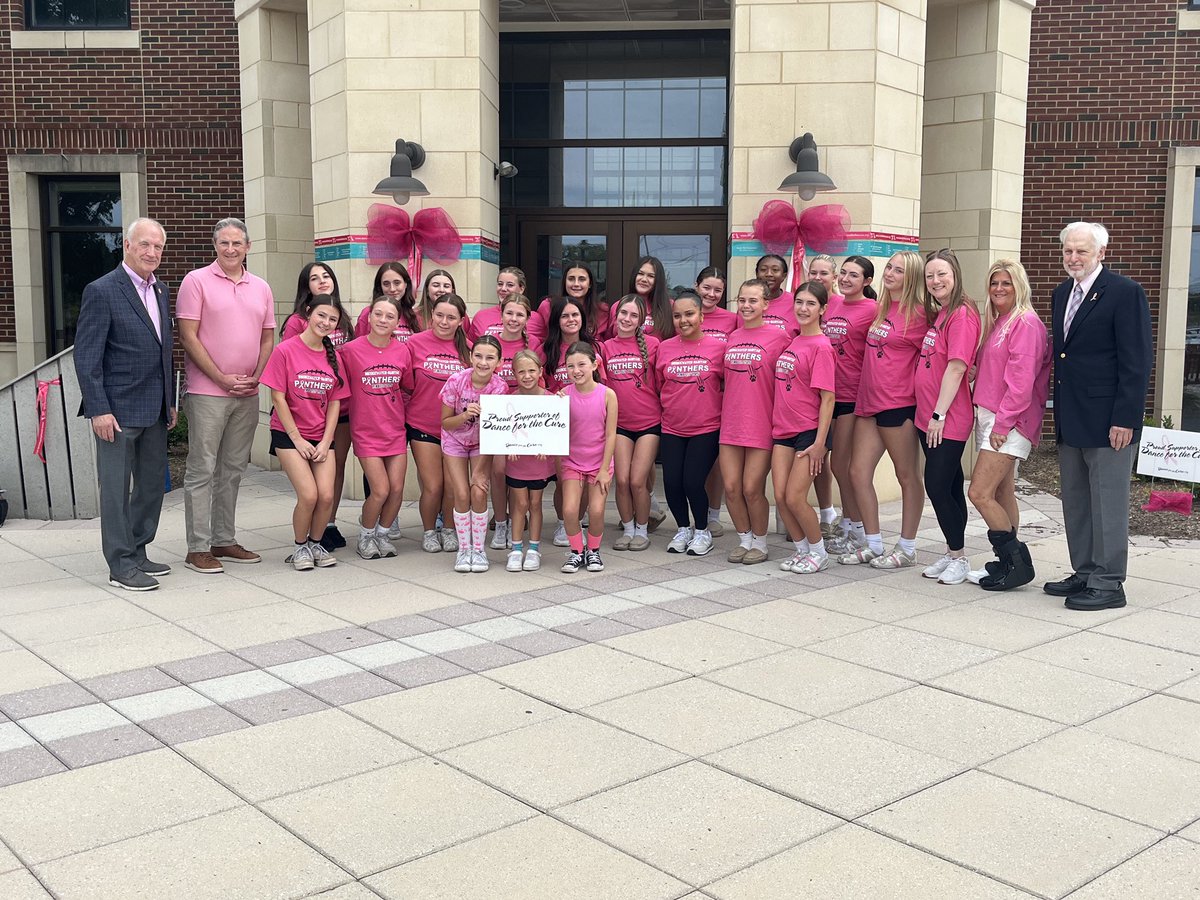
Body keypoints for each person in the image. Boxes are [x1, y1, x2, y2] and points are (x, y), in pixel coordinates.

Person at [1043, 222, 1152, 610]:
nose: (1073, 258)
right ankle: (1086, 571)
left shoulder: (1125, 293)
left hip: (1110, 421)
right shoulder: (1061, 293)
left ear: (1101, 254)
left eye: (1082, 252)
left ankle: (1109, 582)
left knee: (1107, 502)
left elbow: (1136, 362)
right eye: (1068, 251)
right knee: (1076, 500)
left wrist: (1126, 417)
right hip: (1072, 418)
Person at [74, 217, 176, 592]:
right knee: (116, 490)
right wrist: (99, 408)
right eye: (145, 244)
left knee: (150, 486)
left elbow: (165, 351)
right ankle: (119, 565)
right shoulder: (102, 290)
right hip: (115, 411)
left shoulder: (161, 291)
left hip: (154, 408)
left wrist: (171, 401)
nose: (152, 252)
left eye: (158, 247)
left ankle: (137, 548)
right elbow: (87, 357)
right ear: (127, 246)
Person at [176, 217, 273, 575]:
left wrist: (257, 377)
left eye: (237, 243)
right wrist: (220, 377)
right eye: (224, 243)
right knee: (202, 469)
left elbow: (267, 338)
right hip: (207, 392)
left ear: (248, 247)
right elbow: (189, 336)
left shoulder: (260, 287)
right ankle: (197, 548)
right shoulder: (196, 281)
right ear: (215, 246)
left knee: (232, 469)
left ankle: (223, 539)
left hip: (247, 393)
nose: (230, 249)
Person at [968, 259, 1051, 590]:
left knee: (979, 492)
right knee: (1002, 491)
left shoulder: (1025, 324)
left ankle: (1015, 563)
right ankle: (1009, 563)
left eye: (1006, 283)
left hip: (1009, 421)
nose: (999, 288)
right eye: (994, 283)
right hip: (991, 415)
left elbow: (1021, 383)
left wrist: (1003, 425)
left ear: (1020, 286)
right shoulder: (1000, 321)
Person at [845, 251, 926, 569]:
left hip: (899, 405)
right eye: (889, 267)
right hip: (869, 402)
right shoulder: (881, 307)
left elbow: (936, 357)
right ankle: (874, 543)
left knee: (907, 476)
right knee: (857, 473)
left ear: (912, 277)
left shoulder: (920, 313)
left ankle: (907, 547)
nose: (890, 273)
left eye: (899, 270)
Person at [260, 294, 350, 571]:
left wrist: (326, 441)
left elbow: (336, 401)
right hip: (289, 435)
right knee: (309, 495)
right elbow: (278, 397)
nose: (326, 322)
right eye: (321, 315)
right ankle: (299, 547)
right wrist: (297, 439)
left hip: (321, 435)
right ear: (308, 313)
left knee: (326, 496)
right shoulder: (285, 350)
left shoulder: (332, 356)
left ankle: (315, 543)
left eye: (332, 319)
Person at [916, 249, 982, 586]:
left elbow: (957, 366)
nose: (936, 281)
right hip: (928, 417)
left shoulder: (962, 314)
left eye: (942, 274)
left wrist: (939, 414)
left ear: (955, 275)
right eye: (930, 276)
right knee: (951, 485)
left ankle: (959, 556)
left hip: (947, 418)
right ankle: (952, 550)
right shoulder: (942, 313)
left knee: (938, 486)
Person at [282, 263, 353, 552]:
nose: (322, 281)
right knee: (310, 489)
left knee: (334, 472)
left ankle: (327, 525)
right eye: (314, 278)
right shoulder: (297, 323)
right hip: (306, 414)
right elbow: (287, 376)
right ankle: (307, 538)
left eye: (326, 276)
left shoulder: (344, 321)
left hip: (339, 408)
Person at [720, 278, 791, 564]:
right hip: (731, 423)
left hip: (762, 422)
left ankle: (760, 543)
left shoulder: (779, 337)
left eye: (753, 300)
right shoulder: (732, 337)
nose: (746, 305)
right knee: (732, 487)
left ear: (765, 304)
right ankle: (744, 538)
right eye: (742, 300)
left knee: (752, 487)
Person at [341, 293, 413, 560]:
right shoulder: (350, 350)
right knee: (380, 489)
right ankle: (366, 535)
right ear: (369, 318)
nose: (383, 319)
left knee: (396, 489)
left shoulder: (403, 350)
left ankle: (382, 535)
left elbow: (408, 387)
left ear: (397, 323)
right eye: (378, 314)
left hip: (395, 429)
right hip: (365, 431)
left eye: (390, 316)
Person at [772, 281, 837, 574]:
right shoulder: (794, 340)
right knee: (782, 497)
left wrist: (820, 444)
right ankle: (802, 551)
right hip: (782, 430)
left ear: (822, 309)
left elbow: (828, 398)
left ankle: (819, 551)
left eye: (811, 303)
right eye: (799, 302)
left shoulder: (822, 346)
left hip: (809, 432)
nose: (803, 308)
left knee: (796, 497)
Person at [656, 293, 725, 554]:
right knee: (672, 482)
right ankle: (683, 528)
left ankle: (702, 531)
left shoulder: (718, 348)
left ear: (701, 316)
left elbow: (727, 385)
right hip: (672, 426)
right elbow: (659, 385)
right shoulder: (665, 348)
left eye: (689, 314)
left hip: (706, 427)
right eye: (677, 315)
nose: (683, 320)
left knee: (693, 482)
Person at [403, 294, 471, 553]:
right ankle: (430, 530)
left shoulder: (470, 350)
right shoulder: (413, 343)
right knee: (433, 486)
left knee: (454, 486)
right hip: (423, 425)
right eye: (440, 315)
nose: (444, 321)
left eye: (451, 317)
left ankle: (451, 528)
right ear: (431, 316)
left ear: (461, 321)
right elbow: (404, 383)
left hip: (459, 429)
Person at [821, 256, 879, 556]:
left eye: (853, 275)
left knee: (842, 465)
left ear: (867, 281)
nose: (845, 279)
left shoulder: (873, 310)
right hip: (827, 393)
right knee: (838, 465)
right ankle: (849, 523)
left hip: (853, 396)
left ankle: (856, 529)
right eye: (842, 273)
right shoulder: (831, 305)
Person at [441, 335, 508, 573]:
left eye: (490, 357)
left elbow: (494, 434)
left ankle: (478, 549)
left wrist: (480, 473)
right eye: (478, 356)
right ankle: (464, 549)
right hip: (455, 441)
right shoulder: (456, 380)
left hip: (483, 443)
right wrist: (465, 415)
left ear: (499, 362)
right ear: (471, 357)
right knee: (460, 493)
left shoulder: (500, 386)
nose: (483, 362)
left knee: (478, 491)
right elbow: (446, 423)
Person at [603, 295, 660, 552]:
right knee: (623, 480)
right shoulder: (605, 347)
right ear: (615, 316)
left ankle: (642, 529)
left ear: (641, 321)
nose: (627, 319)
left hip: (649, 422)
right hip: (620, 424)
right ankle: (627, 529)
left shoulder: (654, 344)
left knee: (638, 481)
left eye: (633, 315)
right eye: (623, 314)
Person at [558, 342, 618, 574]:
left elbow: (611, 433)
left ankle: (593, 550)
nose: (576, 370)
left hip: (599, 463)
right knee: (570, 510)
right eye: (570, 366)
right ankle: (576, 552)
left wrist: (604, 468)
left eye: (581, 364)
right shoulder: (563, 395)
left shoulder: (608, 395)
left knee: (596, 510)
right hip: (573, 461)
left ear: (595, 364)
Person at [490, 292, 537, 550]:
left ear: (527, 318)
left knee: (520, 472)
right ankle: (501, 523)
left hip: (526, 416)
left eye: (520, 314)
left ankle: (521, 518)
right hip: (498, 417)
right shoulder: (491, 343)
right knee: (498, 471)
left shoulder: (533, 346)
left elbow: (540, 380)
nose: (514, 318)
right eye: (509, 313)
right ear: (501, 314)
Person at [505, 350, 556, 572]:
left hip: (540, 463)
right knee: (520, 504)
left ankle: (534, 549)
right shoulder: (507, 401)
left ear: (540, 372)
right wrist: (508, 447)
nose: (527, 376)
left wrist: (548, 447)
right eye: (521, 371)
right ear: (514, 373)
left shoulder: (552, 400)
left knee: (535, 503)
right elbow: (501, 430)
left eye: (532, 371)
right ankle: (516, 549)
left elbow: (556, 430)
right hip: (517, 463)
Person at [694, 267, 733, 537]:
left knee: (717, 461)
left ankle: (714, 514)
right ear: (697, 286)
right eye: (706, 287)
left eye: (717, 289)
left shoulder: (732, 319)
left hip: (722, 397)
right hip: (690, 398)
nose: (711, 294)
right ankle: (695, 512)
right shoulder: (685, 312)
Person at [807, 253, 843, 537]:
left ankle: (835, 514)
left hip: (841, 394)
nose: (818, 278)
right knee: (818, 455)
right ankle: (823, 512)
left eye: (824, 273)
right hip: (809, 394)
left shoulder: (845, 305)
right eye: (813, 272)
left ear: (835, 277)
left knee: (834, 457)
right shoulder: (805, 304)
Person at [537, 263, 608, 343]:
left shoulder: (603, 310)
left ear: (590, 284)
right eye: (571, 279)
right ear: (564, 282)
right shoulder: (548, 306)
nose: (576, 284)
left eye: (582, 279)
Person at [353, 262, 419, 343]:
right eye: (386, 284)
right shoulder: (368, 313)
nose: (392, 289)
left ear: (406, 284)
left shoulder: (414, 315)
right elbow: (358, 346)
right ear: (380, 287)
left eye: (397, 283)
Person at [610, 255, 673, 340]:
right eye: (640, 274)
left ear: (658, 281)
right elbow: (609, 339)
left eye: (651, 276)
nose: (644, 279)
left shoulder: (669, 306)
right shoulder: (617, 306)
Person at [754, 254, 800, 335]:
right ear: (757, 274)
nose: (769, 274)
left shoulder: (796, 302)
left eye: (775, 270)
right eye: (763, 269)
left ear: (784, 275)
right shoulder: (748, 303)